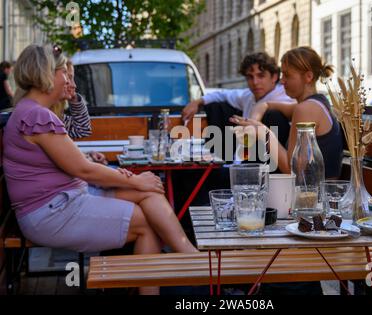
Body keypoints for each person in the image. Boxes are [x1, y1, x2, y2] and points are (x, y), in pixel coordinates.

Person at [2, 44, 197, 295]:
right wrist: (135, 180)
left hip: (62, 200)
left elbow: (70, 163)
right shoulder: (38, 116)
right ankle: (188, 265)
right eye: (64, 72)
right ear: (46, 74)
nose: (69, 79)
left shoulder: (32, 112)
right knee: (146, 221)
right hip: (52, 211)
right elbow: (84, 170)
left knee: (150, 193)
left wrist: (131, 181)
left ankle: (189, 255)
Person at [231, 46, 344, 179]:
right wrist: (254, 122)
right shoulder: (314, 103)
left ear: (308, 76)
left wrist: (264, 133)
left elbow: (292, 171)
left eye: (287, 75)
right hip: (311, 191)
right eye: (282, 74)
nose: (282, 80)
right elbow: (264, 104)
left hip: (316, 195)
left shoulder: (306, 109)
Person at [182, 52, 296, 153]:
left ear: (274, 77)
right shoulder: (248, 96)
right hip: (244, 156)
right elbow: (222, 94)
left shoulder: (285, 97)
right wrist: (197, 102)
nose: (255, 82)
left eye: (261, 76)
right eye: (250, 77)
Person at [49, 49, 107, 165]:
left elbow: (82, 130)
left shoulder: (56, 115)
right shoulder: (43, 118)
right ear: (50, 78)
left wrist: (74, 98)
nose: (74, 85)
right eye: (68, 77)